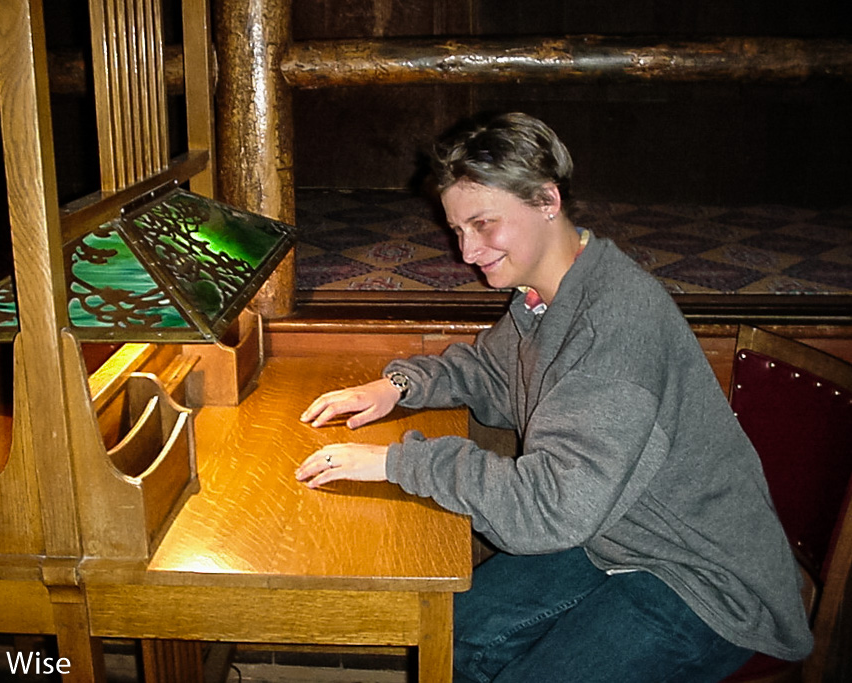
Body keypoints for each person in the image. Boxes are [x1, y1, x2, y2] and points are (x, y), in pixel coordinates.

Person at [294, 112, 813, 682]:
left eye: (483, 224)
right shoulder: (548, 294)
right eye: (456, 230)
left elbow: (547, 512)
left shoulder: (613, 329)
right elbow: (492, 373)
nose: (467, 251)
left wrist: (399, 461)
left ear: (546, 200)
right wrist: (396, 386)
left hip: (703, 579)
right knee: (452, 637)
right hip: (609, 533)